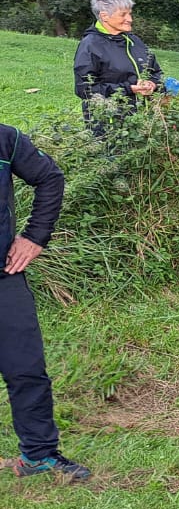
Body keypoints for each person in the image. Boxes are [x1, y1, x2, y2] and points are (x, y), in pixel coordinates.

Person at [2, 123, 89, 482]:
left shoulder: (5, 139)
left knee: (26, 368)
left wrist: (35, 237)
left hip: (3, 277)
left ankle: (38, 455)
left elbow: (50, 177)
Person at [73, 0, 161, 132]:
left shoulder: (135, 42)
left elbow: (156, 72)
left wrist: (152, 84)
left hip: (143, 124)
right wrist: (128, 89)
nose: (130, 19)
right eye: (123, 14)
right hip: (110, 127)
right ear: (104, 16)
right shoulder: (90, 46)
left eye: (130, 14)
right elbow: (85, 89)